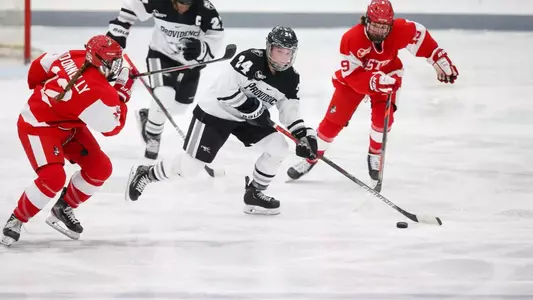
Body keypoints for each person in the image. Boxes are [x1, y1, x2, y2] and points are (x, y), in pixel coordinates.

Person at [125, 26, 317, 215]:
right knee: (191, 168)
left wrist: (302, 135)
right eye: (279, 51)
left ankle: (255, 194)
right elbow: (224, 92)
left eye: (288, 53)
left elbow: (289, 110)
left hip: (248, 118)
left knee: (279, 147)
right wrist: (253, 109)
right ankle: (146, 173)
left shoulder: (291, 78)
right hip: (216, 113)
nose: (284, 58)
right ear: (269, 48)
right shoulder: (249, 59)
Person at [287, 0, 459, 185]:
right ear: (366, 20)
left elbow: (422, 39)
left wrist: (437, 58)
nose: (379, 31)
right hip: (354, 81)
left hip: (388, 76)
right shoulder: (351, 38)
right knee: (333, 121)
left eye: (384, 27)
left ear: (390, 25)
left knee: (384, 119)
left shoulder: (402, 29)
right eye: (375, 26)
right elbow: (351, 74)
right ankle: (312, 158)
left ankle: (375, 154)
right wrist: (373, 81)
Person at [1, 35, 134, 247]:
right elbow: (111, 128)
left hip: (68, 125)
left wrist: (41, 92)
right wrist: (122, 92)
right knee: (53, 177)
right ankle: (17, 218)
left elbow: (39, 65)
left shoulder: (77, 55)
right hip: (38, 125)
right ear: (101, 61)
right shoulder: (95, 92)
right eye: (114, 61)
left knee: (100, 168)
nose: (118, 65)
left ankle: (62, 208)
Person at [107, 0, 224, 159]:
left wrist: (201, 49)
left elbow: (216, 34)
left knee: (179, 108)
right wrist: (119, 30)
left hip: (190, 64)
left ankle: (148, 116)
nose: (183, 8)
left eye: (188, 4)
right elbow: (132, 7)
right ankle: (153, 137)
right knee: (164, 94)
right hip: (160, 55)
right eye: (180, 3)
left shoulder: (206, 9)